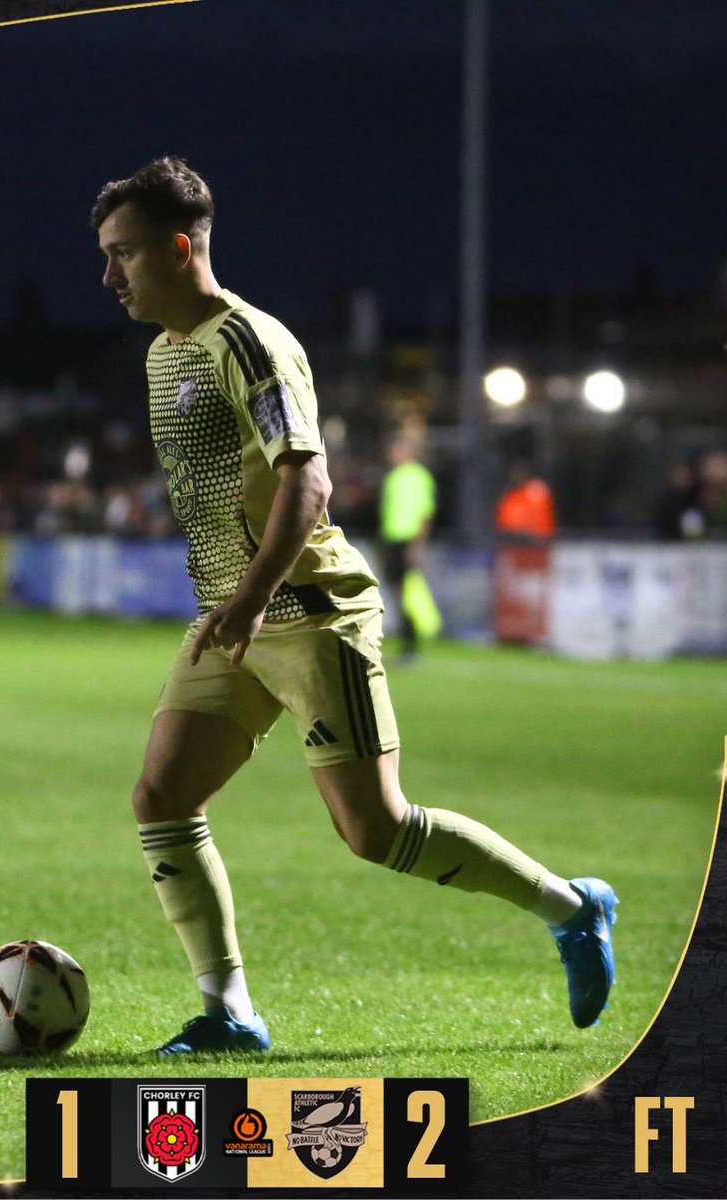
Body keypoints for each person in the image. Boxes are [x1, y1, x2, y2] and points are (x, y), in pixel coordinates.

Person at [91, 157, 616, 1054]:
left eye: (126, 255)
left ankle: (571, 906)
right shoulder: (161, 354)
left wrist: (253, 597)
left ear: (181, 250)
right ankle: (229, 1014)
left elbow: (310, 479)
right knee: (161, 796)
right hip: (234, 615)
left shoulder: (250, 342)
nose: (110, 276)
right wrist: (235, 605)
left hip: (307, 608)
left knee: (374, 831)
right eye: (106, 256)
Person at [379, 435, 439, 661]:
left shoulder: (419, 476)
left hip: (407, 540)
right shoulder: (393, 477)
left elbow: (425, 513)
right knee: (396, 592)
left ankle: (411, 644)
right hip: (392, 540)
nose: (392, 455)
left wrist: (417, 545)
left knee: (405, 593)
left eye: (396, 450)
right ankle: (408, 642)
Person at [495, 460, 556, 543]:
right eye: (515, 474)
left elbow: (540, 518)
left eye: (520, 472)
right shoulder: (510, 495)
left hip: (537, 540)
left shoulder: (537, 489)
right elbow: (504, 520)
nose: (517, 476)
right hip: (514, 540)